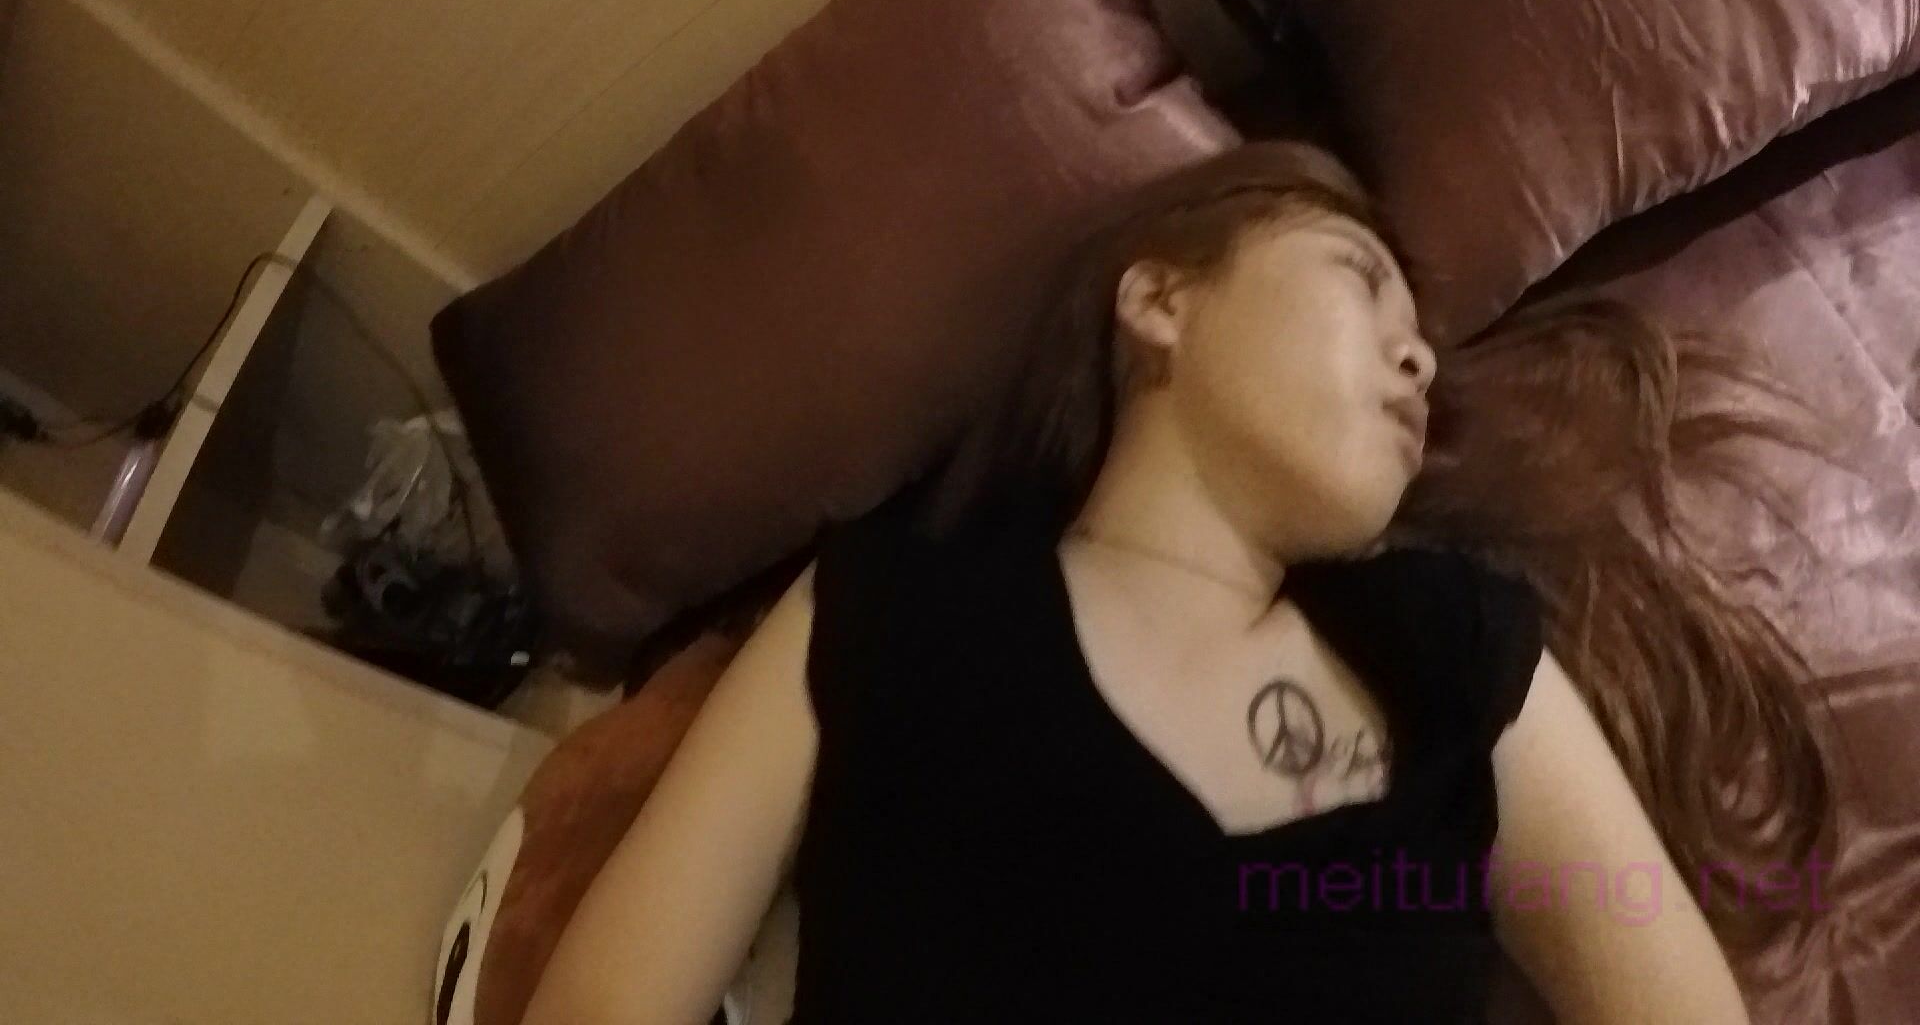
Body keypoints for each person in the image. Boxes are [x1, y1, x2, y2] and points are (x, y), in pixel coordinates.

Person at [521, 142, 1833, 1024]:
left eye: (1419, 333)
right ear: (1159, 300)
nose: (1419, 358)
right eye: (1362, 280)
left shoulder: (1455, 653)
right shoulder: (885, 610)